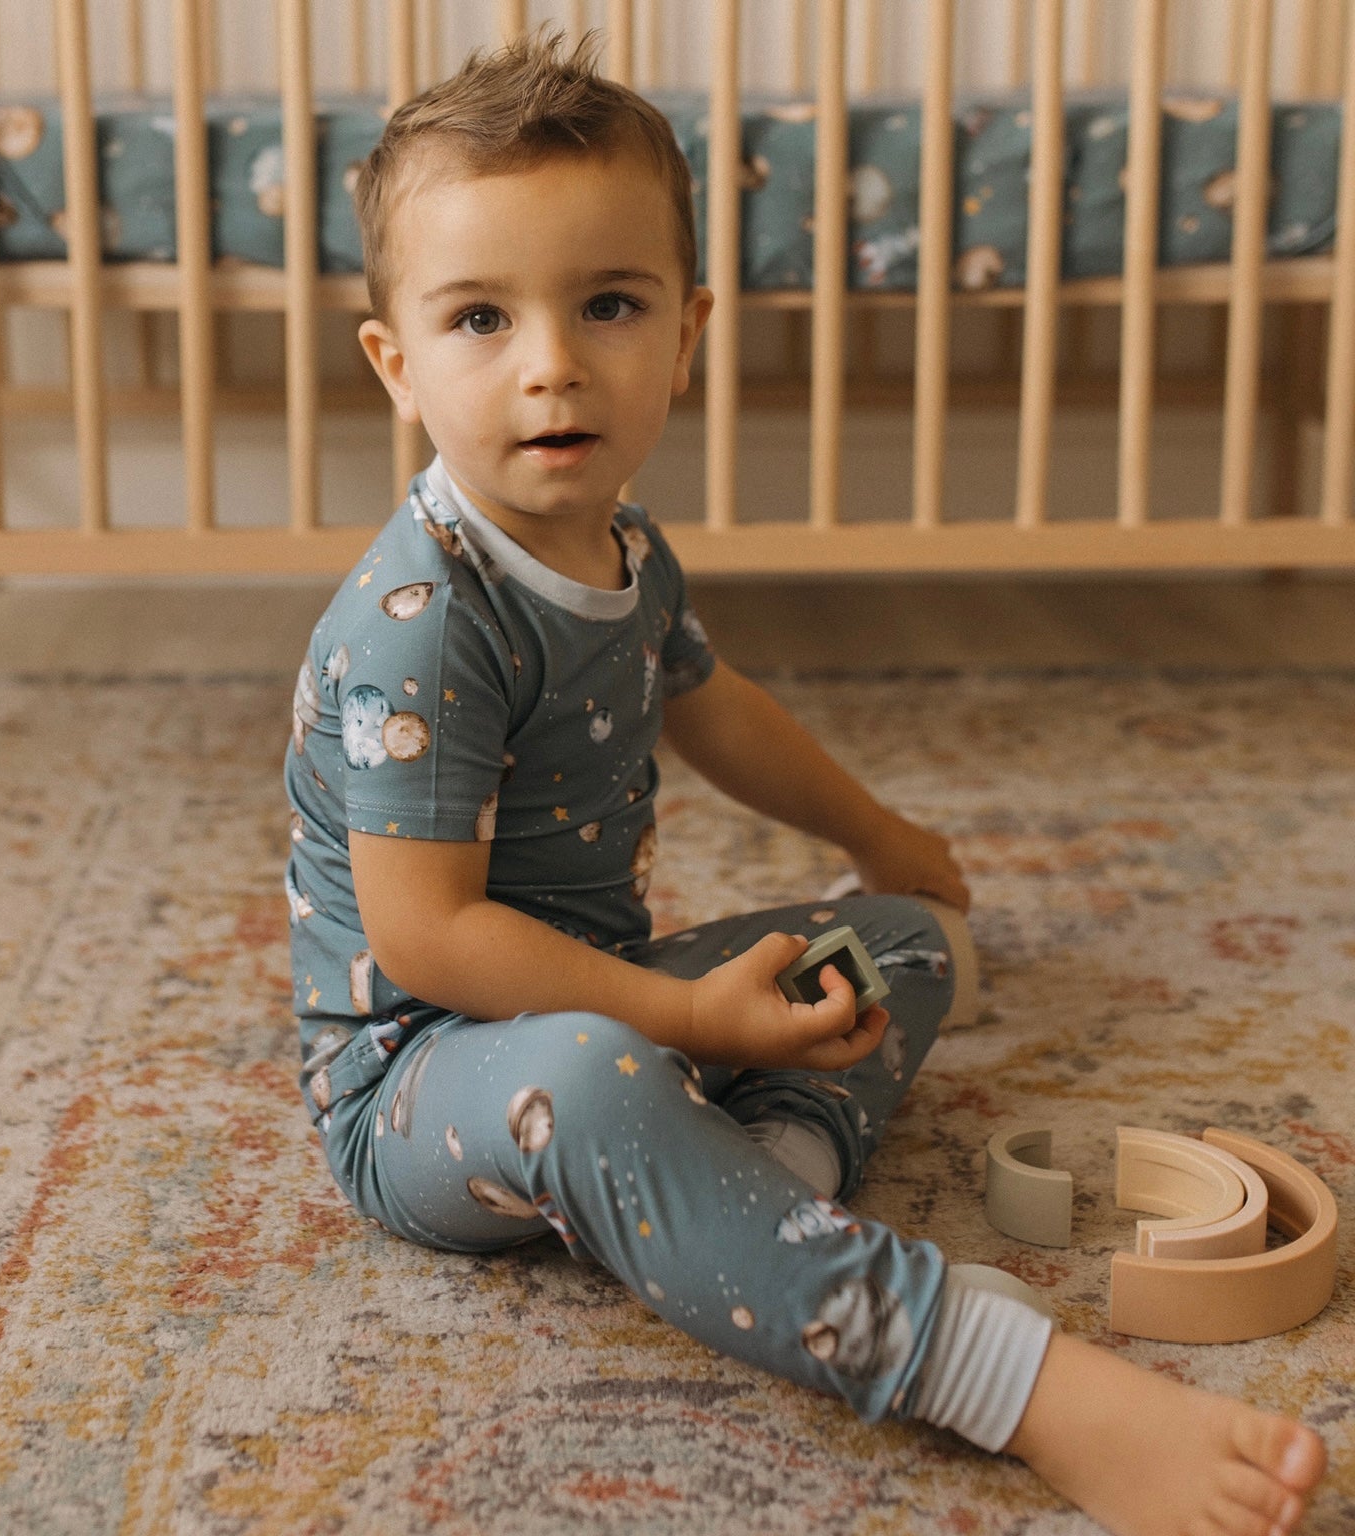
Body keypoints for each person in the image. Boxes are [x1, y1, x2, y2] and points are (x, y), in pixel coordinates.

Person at [284, 31, 1327, 1536]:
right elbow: (435, 942)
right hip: (429, 1079)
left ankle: (759, 1185)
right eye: (479, 318)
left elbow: (715, 707)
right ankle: (1009, 1382)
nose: (553, 362)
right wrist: (686, 1017)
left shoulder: (624, 545)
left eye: (610, 305)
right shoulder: (425, 620)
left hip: (605, 995)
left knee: (898, 942)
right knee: (595, 1074)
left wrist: (875, 835)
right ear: (396, 361)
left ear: (688, 333)